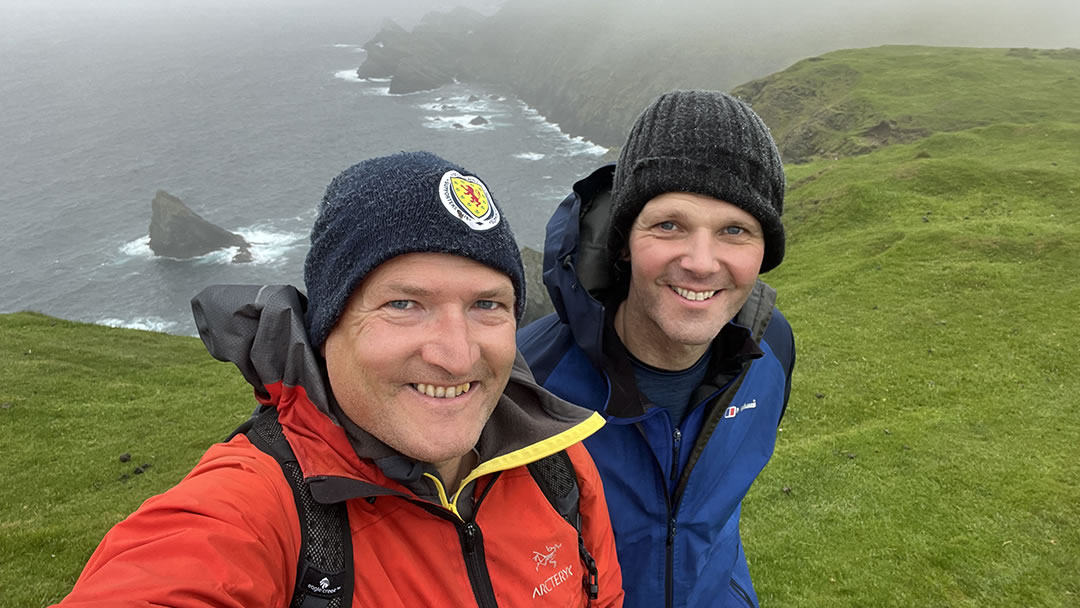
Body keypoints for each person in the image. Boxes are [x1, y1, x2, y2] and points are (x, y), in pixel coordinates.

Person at [56, 151, 624, 607]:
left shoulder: (558, 468)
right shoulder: (261, 509)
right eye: (404, 304)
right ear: (327, 329)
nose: (455, 355)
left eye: (487, 305)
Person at [518, 90, 795, 608]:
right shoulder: (526, 383)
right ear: (625, 241)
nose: (700, 261)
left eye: (735, 230)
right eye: (669, 225)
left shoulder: (771, 347)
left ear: (764, 251)